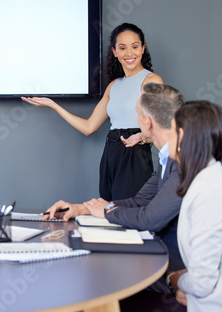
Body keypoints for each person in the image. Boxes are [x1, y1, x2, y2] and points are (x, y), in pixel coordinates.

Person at [43, 83, 185, 290]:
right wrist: (83, 209)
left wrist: (107, 211)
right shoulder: (168, 157)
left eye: (137, 114)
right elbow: (139, 202)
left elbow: (150, 219)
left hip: (174, 273)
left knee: (94, 276)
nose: (136, 119)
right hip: (164, 261)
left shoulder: (183, 161)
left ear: (147, 122)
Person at [22, 23, 163, 201]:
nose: (129, 53)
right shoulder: (114, 86)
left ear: (143, 49)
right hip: (111, 152)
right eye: (122, 47)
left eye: (135, 46)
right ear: (115, 52)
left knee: (130, 214)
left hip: (134, 153)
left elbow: (160, 129)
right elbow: (89, 127)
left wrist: (141, 137)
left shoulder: (151, 80)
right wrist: (53, 105)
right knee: (108, 212)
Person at [167, 101, 222, 311]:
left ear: (182, 137)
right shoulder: (209, 180)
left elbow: (201, 283)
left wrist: (175, 279)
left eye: (170, 131)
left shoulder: (208, 191)